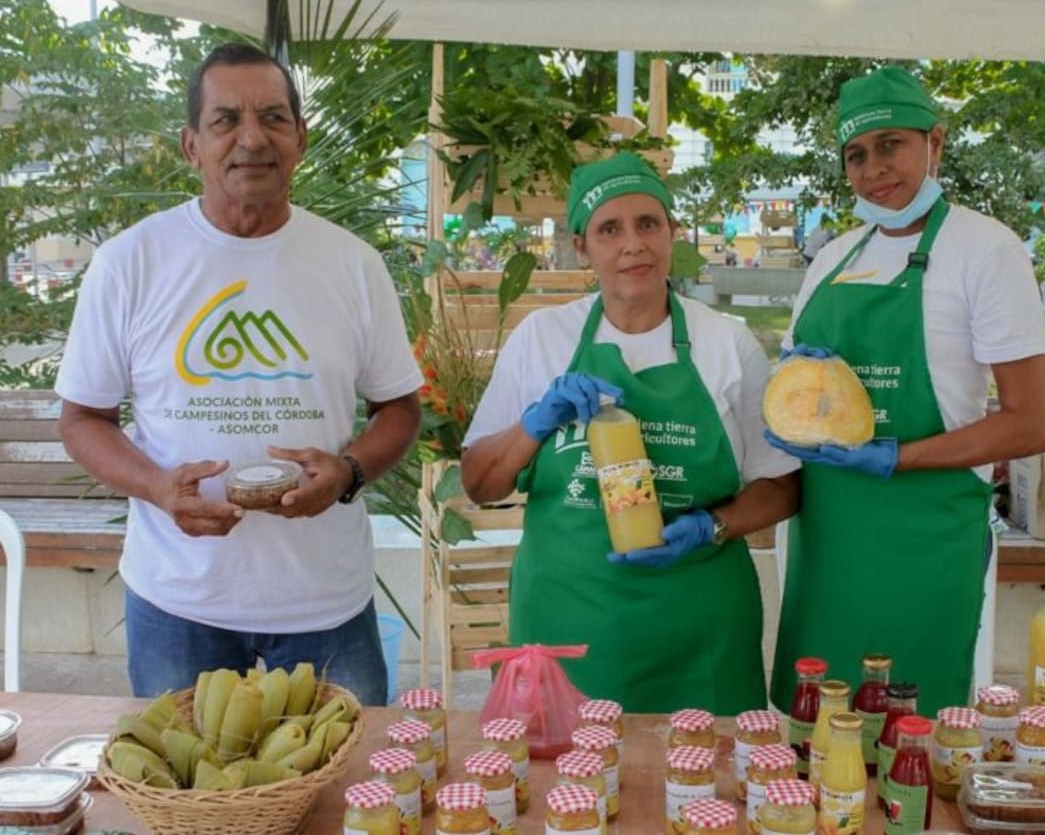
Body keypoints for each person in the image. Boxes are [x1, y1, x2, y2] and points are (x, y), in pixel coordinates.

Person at [55, 43, 423, 703]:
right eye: (226, 120)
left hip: (326, 601)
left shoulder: (353, 265)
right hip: (178, 601)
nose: (252, 138)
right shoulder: (130, 263)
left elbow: (399, 408)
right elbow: (83, 418)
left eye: (273, 117)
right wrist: (159, 488)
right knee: (183, 772)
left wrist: (348, 472)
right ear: (191, 145)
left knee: (349, 771)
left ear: (300, 138)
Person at [460, 153, 800, 714]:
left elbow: (782, 486)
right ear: (581, 246)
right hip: (568, 626)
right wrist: (534, 423)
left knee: (706, 768)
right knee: (564, 769)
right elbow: (479, 483)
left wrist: (712, 526)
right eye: (609, 230)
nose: (633, 245)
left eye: (648, 224)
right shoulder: (543, 338)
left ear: (672, 232)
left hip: (699, 628)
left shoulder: (726, 342)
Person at [765, 66, 1045, 717]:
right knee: (821, 724)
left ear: (936, 143)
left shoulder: (985, 251)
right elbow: (791, 388)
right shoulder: (834, 259)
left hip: (924, 534)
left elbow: (1033, 422)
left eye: (891, 144)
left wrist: (896, 456)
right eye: (856, 154)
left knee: (909, 729)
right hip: (829, 536)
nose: (874, 168)